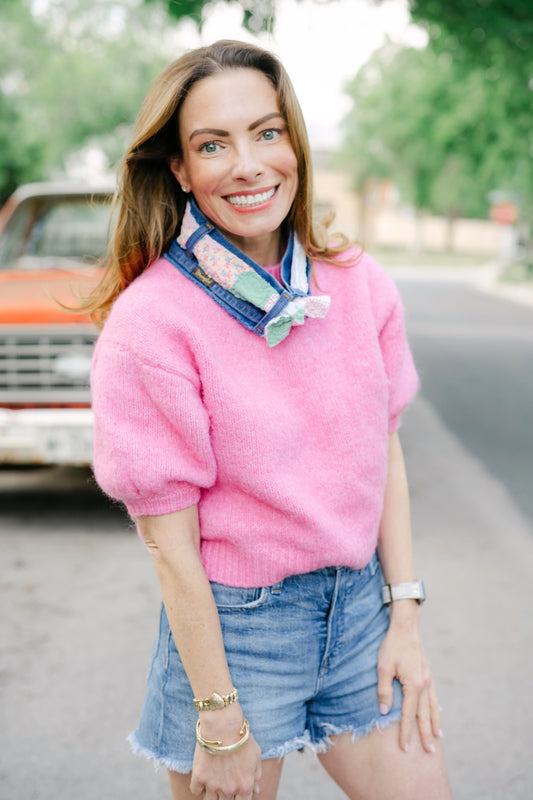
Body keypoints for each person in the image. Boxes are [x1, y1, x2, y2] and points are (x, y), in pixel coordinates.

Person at [89, 39, 453, 800]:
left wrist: (405, 617)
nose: (249, 164)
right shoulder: (151, 324)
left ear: (294, 142)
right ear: (180, 171)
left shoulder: (356, 283)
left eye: (266, 132)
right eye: (212, 145)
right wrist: (217, 714)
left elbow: (380, 447)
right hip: (237, 637)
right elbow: (169, 547)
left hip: (358, 613)